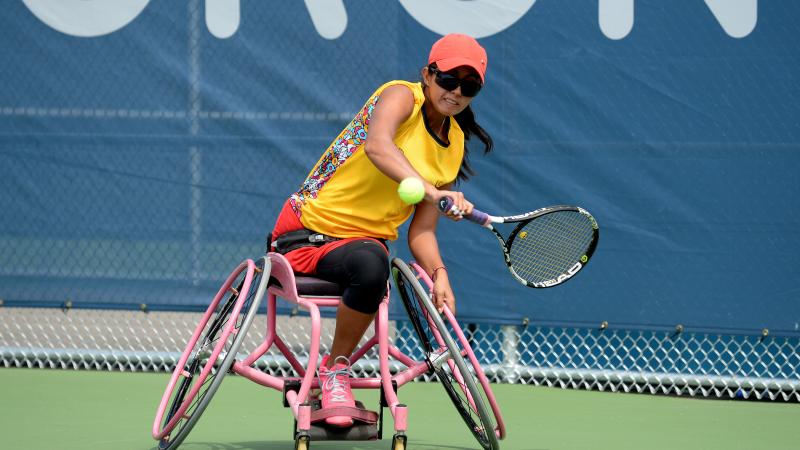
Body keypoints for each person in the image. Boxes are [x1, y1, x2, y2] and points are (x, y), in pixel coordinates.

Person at [269, 33, 493, 428]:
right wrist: (432, 190)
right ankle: (337, 372)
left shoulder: (454, 143)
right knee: (374, 262)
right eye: (447, 79)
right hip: (306, 230)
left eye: (469, 85)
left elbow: (421, 232)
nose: (456, 91)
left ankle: (332, 369)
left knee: (374, 262)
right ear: (428, 74)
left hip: (358, 249)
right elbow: (378, 146)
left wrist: (440, 275)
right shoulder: (401, 96)